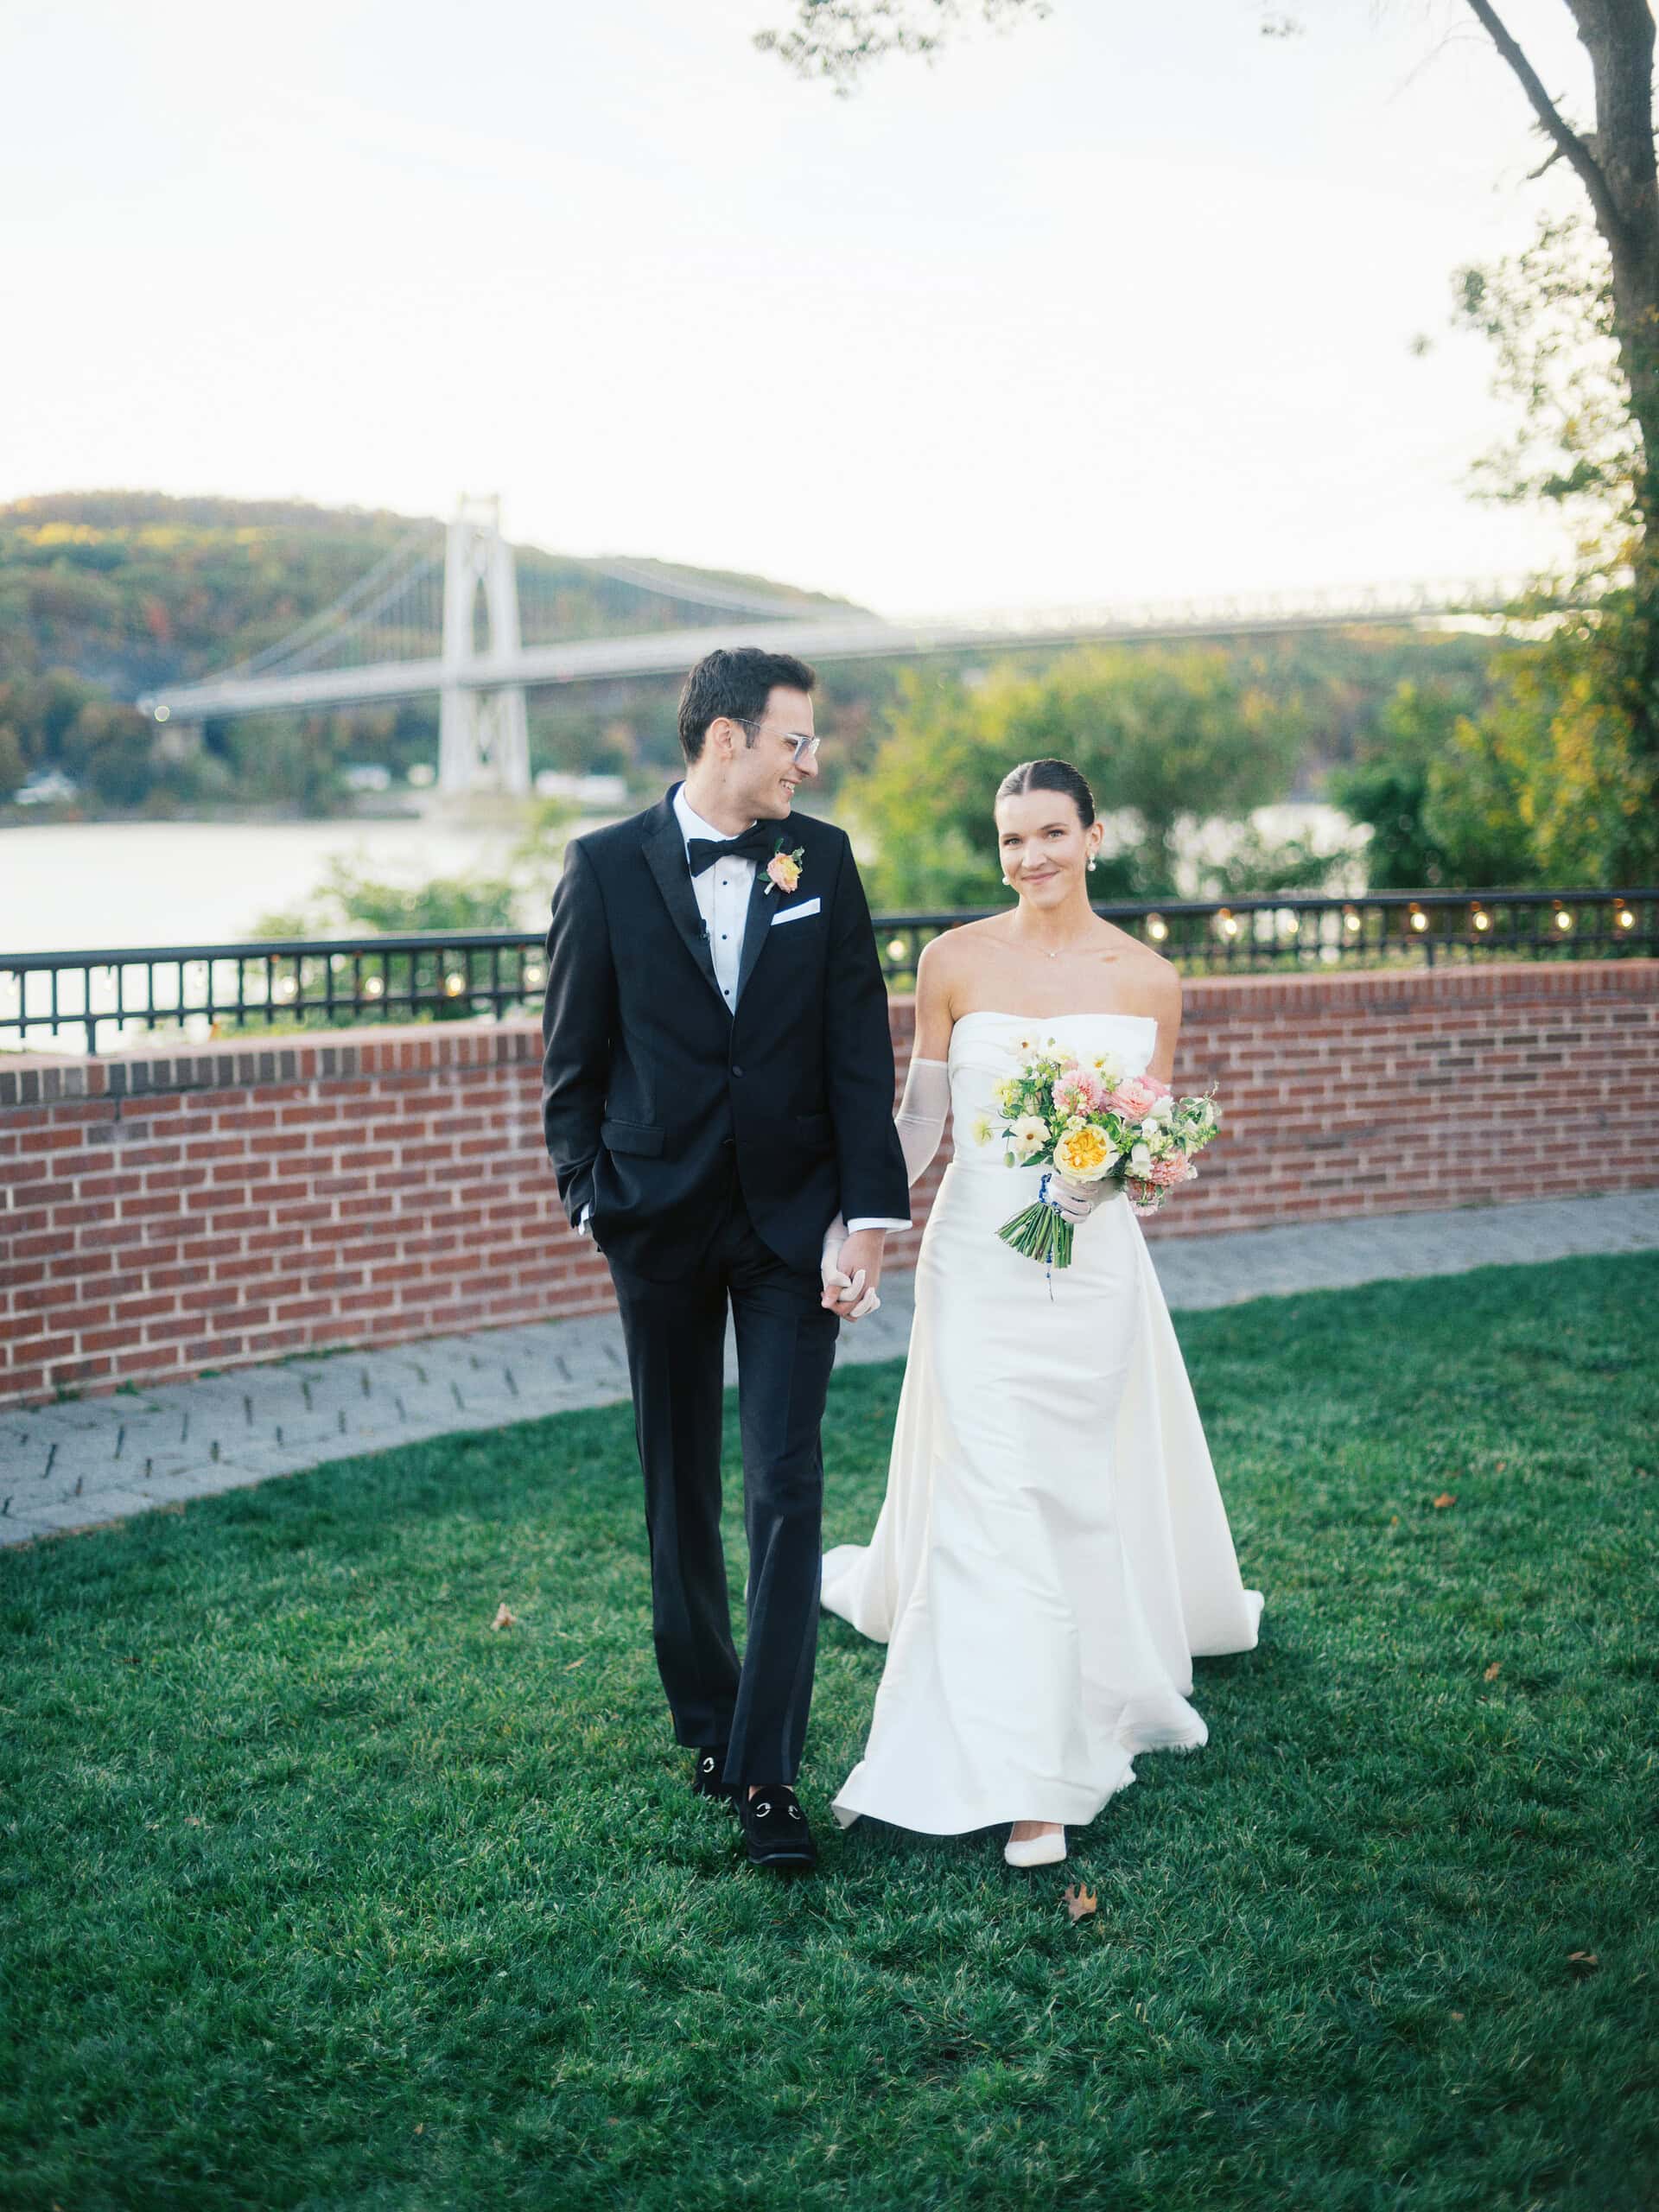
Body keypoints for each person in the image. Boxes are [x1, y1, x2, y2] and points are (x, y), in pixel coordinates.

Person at [820, 757, 1264, 1868]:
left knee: (1067, 1493)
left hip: (1094, 1270)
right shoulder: (953, 960)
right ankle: (1031, 1777)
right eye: (1012, 838)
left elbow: (1154, 1145)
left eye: (1052, 833)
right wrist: (862, 1224)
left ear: (1094, 836)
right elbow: (919, 1122)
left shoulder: (1150, 979)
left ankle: (1087, 1684)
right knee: (994, 1494)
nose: (1031, 857)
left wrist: (1112, 1174)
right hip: (976, 1261)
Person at [539, 646, 911, 1871]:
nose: (811, 762)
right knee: (678, 1480)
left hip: (794, 1221)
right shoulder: (604, 867)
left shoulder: (824, 861)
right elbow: (572, 1058)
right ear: (725, 740)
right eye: (795, 741)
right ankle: (707, 1717)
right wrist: (592, 1198)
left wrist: (868, 1215)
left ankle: (766, 1772)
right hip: (657, 1218)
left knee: (786, 1485)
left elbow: (858, 1048)